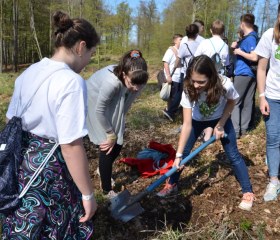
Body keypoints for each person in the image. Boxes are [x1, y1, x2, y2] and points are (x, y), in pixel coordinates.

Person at [2, 11, 99, 239]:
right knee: (53, 227)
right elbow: (71, 146)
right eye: (91, 55)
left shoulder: (30, 72)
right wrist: (88, 195)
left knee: (23, 225)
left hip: (20, 168)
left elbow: (11, 122)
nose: (87, 62)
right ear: (80, 47)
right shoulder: (71, 82)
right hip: (50, 174)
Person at [156, 55, 255, 211]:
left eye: (201, 82)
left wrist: (221, 125)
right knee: (183, 154)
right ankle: (172, 183)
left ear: (212, 77)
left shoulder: (224, 84)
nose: (196, 85)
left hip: (220, 119)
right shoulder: (188, 88)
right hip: (196, 121)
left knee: (233, 155)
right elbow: (187, 124)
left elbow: (232, 101)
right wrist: (178, 155)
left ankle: (248, 191)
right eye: (194, 80)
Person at [86, 50, 149, 199]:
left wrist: (117, 127)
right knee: (108, 146)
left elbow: (127, 103)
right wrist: (110, 133)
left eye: (140, 84)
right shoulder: (111, 83)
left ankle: (103, 170)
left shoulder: (138, 79)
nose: (137, 88)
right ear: (124, 74)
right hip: (93, 99)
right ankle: (107, 190)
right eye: (133, 84)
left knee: (118, 143)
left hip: (112, 99)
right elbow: (99, 110)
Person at [254, 3, 280, 201]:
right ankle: (273, 180)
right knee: (273, 138)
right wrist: (262, 96)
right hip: (273, 95)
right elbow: (261, 68)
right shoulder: (270, 35)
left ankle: (274, 160)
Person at [195, 19, 230, 141]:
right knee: (214, 104)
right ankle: (209, 134)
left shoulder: (205, 43)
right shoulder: (225, 46)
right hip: (218, 78)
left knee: (203, 103)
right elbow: (226, 64)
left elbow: (196, 59)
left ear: (210, 30)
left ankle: (202, 131)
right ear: (223, 31)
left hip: (204, 76)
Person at [231, 13, 258, 138]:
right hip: (250, 73)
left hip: (244, 73)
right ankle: (244, 129)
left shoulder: (251, 38)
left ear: (242, 24)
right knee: (247, 103)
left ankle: (235, 131)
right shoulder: (250, 37)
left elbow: (254, 56)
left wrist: (240, 52)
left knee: (234, 101)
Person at [162, 34, 183, 121]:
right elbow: (166, 63)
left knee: (177, 96)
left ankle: (170, 112)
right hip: (173, 76)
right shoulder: (171, 50)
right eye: (180, 39)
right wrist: (168, 76)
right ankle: (169, 113)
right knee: (172, 96)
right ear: (175, 41)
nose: (182, 41)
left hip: (180, 77)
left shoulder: (182, 50)